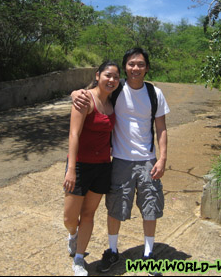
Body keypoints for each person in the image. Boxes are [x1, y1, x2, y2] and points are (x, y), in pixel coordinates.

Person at [71, 48, 170, 274]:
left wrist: (162, 158)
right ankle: (113, 251)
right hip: (120, 160)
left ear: (146, 67)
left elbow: (161, 128)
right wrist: (75, 93)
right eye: (131, 64)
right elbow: (92, 94)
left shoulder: (155, 93)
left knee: (150, 207)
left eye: (141, 64)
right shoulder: (116, 89)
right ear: (125, 67)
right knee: (115, 207)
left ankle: (148, 254)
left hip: (148, 160)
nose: (136, 68)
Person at [63, 61, 120, 276]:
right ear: (97, 75)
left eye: (116, 77)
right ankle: (73, 234)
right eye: (108, 75)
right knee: (70, 218)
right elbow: (74, 134)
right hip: (79, 166)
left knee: (88, 214)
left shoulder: (114, 100)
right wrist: (71, 168)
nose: (112, 80)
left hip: (103, 167)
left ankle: (79, 259)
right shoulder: (85, 99)